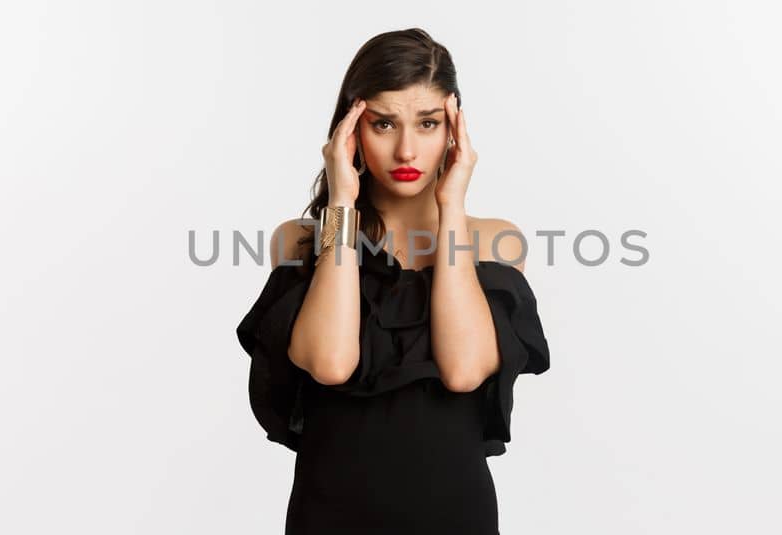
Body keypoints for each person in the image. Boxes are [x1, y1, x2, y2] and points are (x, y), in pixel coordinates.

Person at [236, 28, 552, 534]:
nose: (406, 149)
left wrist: (452, 209)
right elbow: (330, 362)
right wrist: (340, 203)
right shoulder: (300, 241)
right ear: (351, 130)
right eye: (384, 124)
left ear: (453, 130)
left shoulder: (496, 241)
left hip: (454, 514)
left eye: (427, 124)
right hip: (329, 515)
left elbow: (464, 371)